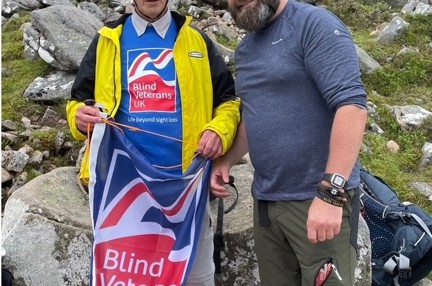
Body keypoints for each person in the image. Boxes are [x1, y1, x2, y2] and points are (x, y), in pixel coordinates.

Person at [66, 0, 241, 284]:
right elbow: (77, 102)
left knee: (197, 278)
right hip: (124, 190)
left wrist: (218, 131)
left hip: (187, 187)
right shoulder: (107, 39)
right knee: (127, 276)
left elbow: (229, 102)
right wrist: (78, 118)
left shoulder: (196, 39)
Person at [210, 0, 368, 285]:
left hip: (318, 200)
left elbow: (352, 107)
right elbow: (255, 114)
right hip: (267, 205)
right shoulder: (246, 49)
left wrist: (331, 194)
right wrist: (228, 160)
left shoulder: (314, 25)